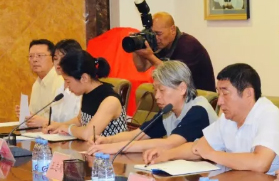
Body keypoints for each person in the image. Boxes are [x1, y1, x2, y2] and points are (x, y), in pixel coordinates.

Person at [142, 63, 279, 175]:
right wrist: (167, 154)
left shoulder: (269, 115)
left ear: (248, 93)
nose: (219, 101)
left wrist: (212, 154)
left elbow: (260, 163)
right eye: (218, 93)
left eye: (225, 93)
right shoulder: (228, 117)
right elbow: (198, 148)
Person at [88, 61, 218, 156]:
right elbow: (138, 134)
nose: (157, 96)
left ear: (182, 88)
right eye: (155, 90)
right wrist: (108, 140)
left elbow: (169, 144)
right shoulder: (169, 111)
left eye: (162, 90)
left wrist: (116, 147)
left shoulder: (198, 111)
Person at [45, 51, 127, 141]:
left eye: (68, 81)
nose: (67, 86)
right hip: (91, 147)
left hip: (113, 149)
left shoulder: (110, 100)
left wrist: (68, 128)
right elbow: (80, 120)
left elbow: (89, 134)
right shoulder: (87, 93)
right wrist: (58, 126)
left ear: (84, 78)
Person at [132, 12, 216, 92]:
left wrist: (150, 56)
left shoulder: (188, 45)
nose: (156, 38)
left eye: (159, 34)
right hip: (180, 94)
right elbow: (142, 67)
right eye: (153, 34)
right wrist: (136, 49)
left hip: (200, 97)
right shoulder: (164, 44)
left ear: (172, 30)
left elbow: (174, 77)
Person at [16, 39, 61, 127]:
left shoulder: (61, 81)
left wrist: (43, 122)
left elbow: (66, 120)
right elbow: (35, 116)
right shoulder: (36, 84)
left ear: (53, 59)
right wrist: (26, 115)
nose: (35, 60)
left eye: (40, 55)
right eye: (31, 56)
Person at [50, 39, 83, 124]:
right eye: (55, 59)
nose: (58, 63)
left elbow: (81, 122)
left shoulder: (82, 87)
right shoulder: (59, 89)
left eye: (63, 58)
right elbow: (54, 120)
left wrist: (54, 125)